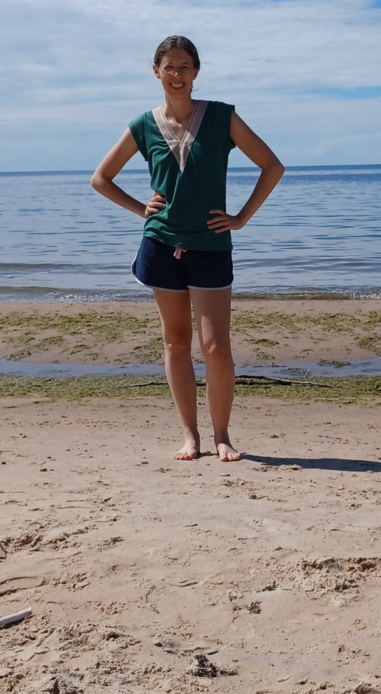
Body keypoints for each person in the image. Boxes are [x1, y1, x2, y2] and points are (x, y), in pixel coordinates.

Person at [91, 35, 284, 462]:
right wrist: (142, 208)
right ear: (156, 72)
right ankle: (189, 436)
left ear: (196, 73)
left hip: (211, 246)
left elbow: (273, 166)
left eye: (185, 67)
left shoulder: (221, 117)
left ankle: (222, 435)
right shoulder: (144, 125)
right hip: (161, 244)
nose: (176, 75)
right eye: (169, 67)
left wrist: (241, 217)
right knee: (176, 343)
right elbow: (101, 179)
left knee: (216, 347)